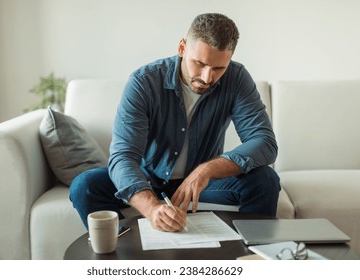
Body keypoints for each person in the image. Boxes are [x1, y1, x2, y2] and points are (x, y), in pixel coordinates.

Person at [70, 13, 280, 232]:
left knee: (265, 180)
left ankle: (252, 256)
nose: (207, 77)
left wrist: (207, 169)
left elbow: (264, 142)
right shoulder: (144, 82)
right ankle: (124, 253)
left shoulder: (236, 78)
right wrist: (151, 208)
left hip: (204, 184)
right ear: (182, 48)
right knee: (84, 186)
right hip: (149, 178)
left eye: (218, 69)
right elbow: (123, 156)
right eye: (199, 63)